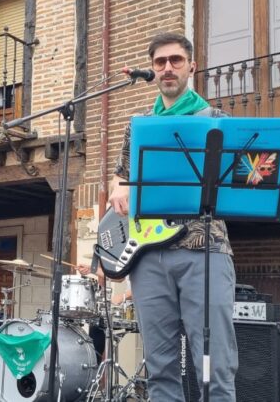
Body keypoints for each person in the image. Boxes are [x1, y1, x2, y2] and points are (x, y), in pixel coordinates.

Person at [103, 32, 238, 401]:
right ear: (152, 68)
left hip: (204, 250)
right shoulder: (139, 123)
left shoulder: (217, 120)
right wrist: (118, 187)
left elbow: (238, 180)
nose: (167, 68)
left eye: (176, 60)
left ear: (191, 66)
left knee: (215, 366)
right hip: (148, 257)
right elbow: (121, 176)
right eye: (160, 62)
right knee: (160, 368)